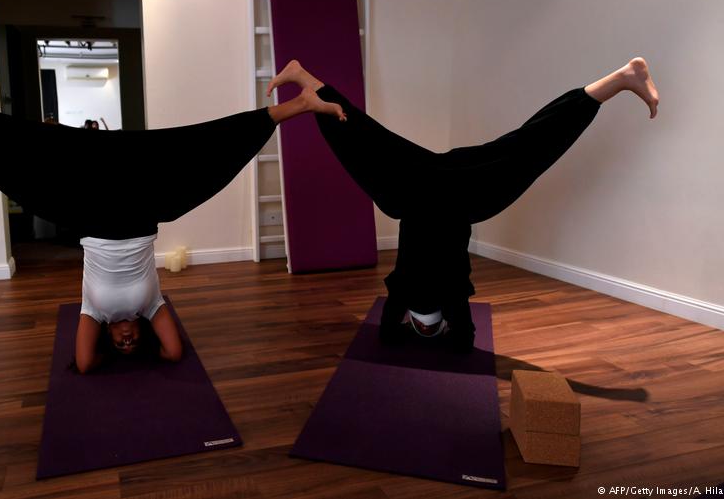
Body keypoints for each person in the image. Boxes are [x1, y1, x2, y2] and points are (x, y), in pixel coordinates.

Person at [0, 69, 345, 372]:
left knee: (7, 144)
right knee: (201, 147)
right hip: (144, 200)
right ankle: (299, 103)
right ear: (140, 330)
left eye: (120, 343)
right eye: (132, 341)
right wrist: (147, 330)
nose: (126, 341)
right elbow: (172, 353)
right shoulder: (150, 305)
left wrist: (102, 340)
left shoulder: (92, 315)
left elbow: (83, 365)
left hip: (86, 206)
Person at [266, 58, 659, 353]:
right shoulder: (414, 288)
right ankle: (307, 81)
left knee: (530, 144)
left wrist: (431, 333)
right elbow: (436, 337)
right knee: (371, 144)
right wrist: (419, 331)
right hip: (436, 184)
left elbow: (454, 337)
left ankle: (620, 79)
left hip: (447, 187)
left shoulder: (440, 289)